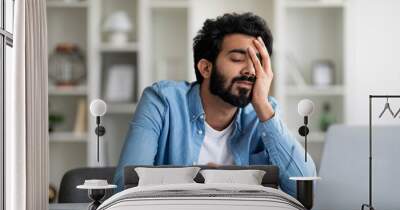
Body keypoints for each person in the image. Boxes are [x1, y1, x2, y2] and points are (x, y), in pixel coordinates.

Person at [113, 12, 316, 196]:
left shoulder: (264, 111)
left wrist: (263, 106)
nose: (251, 71)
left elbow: (303, 189)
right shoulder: (162, 101)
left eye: (258, 62)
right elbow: (127, 186)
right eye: (237, 59)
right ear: (206, 68)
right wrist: (199, 181)